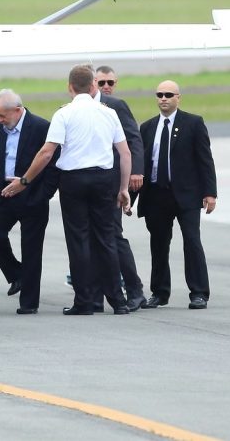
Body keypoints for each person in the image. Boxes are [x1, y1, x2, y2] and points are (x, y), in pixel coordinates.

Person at [19, 65, 132, 316]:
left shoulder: (64, 114)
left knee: (78, 239)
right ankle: (118, 300)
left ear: (70, 87)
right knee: (106, 238)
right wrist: (123, 188)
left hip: (74, 180)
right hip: (104, 179)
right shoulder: (109, 113)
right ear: (93, 87)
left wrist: (25, 180)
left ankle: (85, 301)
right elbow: (124, 152)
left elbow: (47, 152)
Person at [0, 89, 58, 315]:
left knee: (31, 248)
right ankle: (16, 275)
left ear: (17, 110)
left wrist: (43, 194)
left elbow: (53, 164)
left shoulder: (41, 127)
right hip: (5, 193)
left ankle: (29, 303)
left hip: (33, 196)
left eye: (2, 115)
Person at [137, 81, 217, 310]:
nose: (164, 98)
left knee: (192, 241)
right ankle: (160, 292)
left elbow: (205, 160)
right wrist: (129, 198)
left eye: (169, 95)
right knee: (159, 244)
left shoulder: (193, 123)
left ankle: (199, 292)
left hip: (186, 195)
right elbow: (140, 165)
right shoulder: (148, 127)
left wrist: (210, 193)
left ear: (178, 98)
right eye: (160, 95)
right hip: (156, 194)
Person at [93, 67, 149, 312]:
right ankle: (97, 292)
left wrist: (136, 171)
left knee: (113, 234)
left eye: (110, 82)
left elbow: (133, 138)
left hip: (115, 179)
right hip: (92, 181)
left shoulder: (116, 105)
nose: (106, 86)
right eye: (101, 82)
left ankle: (134, 289)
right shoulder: (77, 105)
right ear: (92, 82)